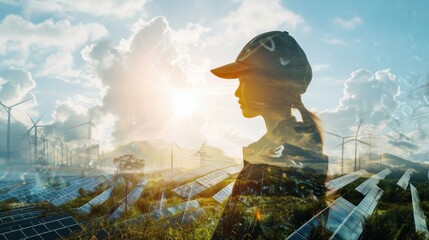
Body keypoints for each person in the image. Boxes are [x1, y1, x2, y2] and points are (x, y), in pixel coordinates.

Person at [210, 31, 328, 239]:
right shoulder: (287, 149)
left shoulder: (284, 159)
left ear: (275, 84)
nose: (237, 92)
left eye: (244, 81)